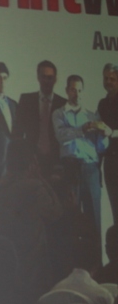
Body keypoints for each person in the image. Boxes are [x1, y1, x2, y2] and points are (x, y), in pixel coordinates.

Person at [52, 75, 109, 266]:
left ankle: (96, 267)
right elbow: (61, 136)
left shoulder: (92, 115)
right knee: (71, 217)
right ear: (67, 91)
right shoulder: (59, 114)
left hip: (91, 168)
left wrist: (103, 134)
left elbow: (101, 147)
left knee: (94, 219)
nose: (76, 94)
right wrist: (81, 130)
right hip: (70, 168)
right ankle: (71, 267)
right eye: (72, 90)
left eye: (79, 90)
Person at [15, 60, 66, 169]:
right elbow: (17, 133)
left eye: (50, 77)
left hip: (56, 162)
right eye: (43, 77)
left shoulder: (63, 104)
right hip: (30, 161)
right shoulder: (26, 100)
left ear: (55, 79)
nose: (46, 81)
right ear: (38, 77)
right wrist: (23, 159)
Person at [96, 64, 118, 239]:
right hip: (110, 163)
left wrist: (113, 133)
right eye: (106, 78)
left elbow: (109, 132)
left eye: (112, 78)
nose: (108, 82)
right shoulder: (102, 104)